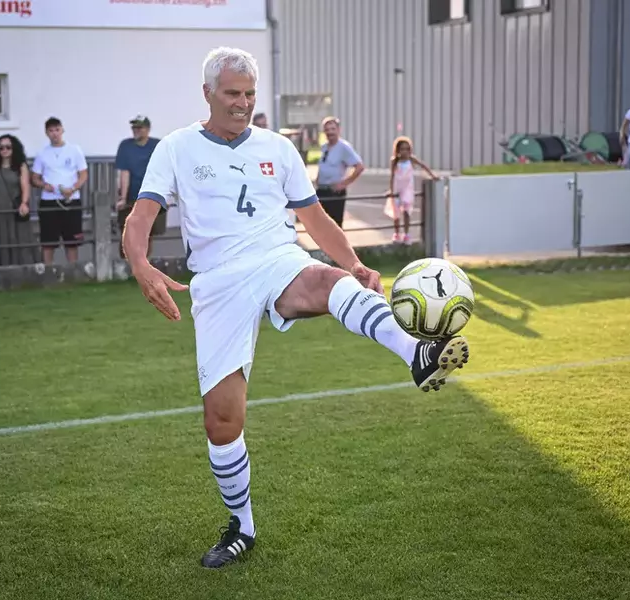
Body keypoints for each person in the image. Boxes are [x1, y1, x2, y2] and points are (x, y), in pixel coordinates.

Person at [122, 47, 471, 570]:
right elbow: (139, 215)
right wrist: (141, 265)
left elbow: (315, 218)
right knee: (221, 421)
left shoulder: (278, 148)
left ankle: (418, 351)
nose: (242, 104)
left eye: (249, 94)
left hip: (276, 257)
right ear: (207, 94)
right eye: (232, 94)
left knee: (327, 281)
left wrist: (353, 262)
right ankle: (243, 527)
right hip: (216, 283)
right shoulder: (175, 147)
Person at [31, 117, 88, 265]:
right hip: (49, 201)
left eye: (57, 130)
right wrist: (44, 185)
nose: (55, 134)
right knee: (48, 241)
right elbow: (34, 178)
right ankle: (48, 272)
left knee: (72, 241)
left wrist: (73, 188)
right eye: (51, 131)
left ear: (62, 130)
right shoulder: (42, 153)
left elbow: (83, 174)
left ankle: (73, 271)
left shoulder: (75, 150)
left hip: (71, 200)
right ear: (46, 133)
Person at [0, 134, 39, 266]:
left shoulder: (21, 166)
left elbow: (25, 187)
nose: (4, 150)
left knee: (17, 237)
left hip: (13, 207)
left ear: (14, 148)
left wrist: (24, 203)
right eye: (1, 148)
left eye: (8, 147)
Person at [115, 115, 164, 258]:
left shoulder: (157, 145)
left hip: (152, 195)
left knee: (148, 232)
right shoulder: (125, 146)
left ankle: (145, 263)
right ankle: (126, 263)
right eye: (134, 127)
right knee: (127, 230)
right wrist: (122, 198)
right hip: (132, 195)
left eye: (139, 127)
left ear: (147, 129)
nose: (136, 130)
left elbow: (163, 171)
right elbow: (124, 172)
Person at [386, 136, 438, 244]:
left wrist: (433, 175)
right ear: (397, 150)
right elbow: (392, 176)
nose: (404, 152)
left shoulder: (411, 159)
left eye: (407, 149)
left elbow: (423, 166)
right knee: (396, 213)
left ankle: (406, 234)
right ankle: (396, 233)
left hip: (407, 189)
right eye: (402, 149)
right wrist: (391, 190)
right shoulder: (395, 161)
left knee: (406, 211)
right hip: (397, 188)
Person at [314, 116, 364, 228]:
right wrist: (318, 178)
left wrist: (344, 183)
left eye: (332, 129)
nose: (330, 132)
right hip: (322, 190)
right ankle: (324, 246)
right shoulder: (325, 147)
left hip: (334, 191)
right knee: (321, 225)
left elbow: (359, 167)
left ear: (338, 130)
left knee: (335, 226)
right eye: (327, 129)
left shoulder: (344, 147)